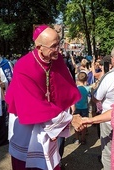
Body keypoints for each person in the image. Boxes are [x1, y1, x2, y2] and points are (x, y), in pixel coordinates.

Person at [5, 25, 84, 170]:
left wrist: (68, 106)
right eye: (54, 46)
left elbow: (63, 87)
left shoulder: (57, 58)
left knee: (50, 162)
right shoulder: (23, 66)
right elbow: (33, 106)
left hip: (51, 116)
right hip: (27, 123)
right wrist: (69, 119)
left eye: (58, 43)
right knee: (28, 162)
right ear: (39, 46)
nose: (58, 49)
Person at [73, 72, 91, 145]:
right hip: (85, 108)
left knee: (76, 123)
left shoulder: (75, 88)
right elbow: (89, 97)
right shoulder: (87, 88)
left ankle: (77, 139)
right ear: (86, 79)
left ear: (77, 79)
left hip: (77, 108)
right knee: (84, 123)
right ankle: (83, 138)